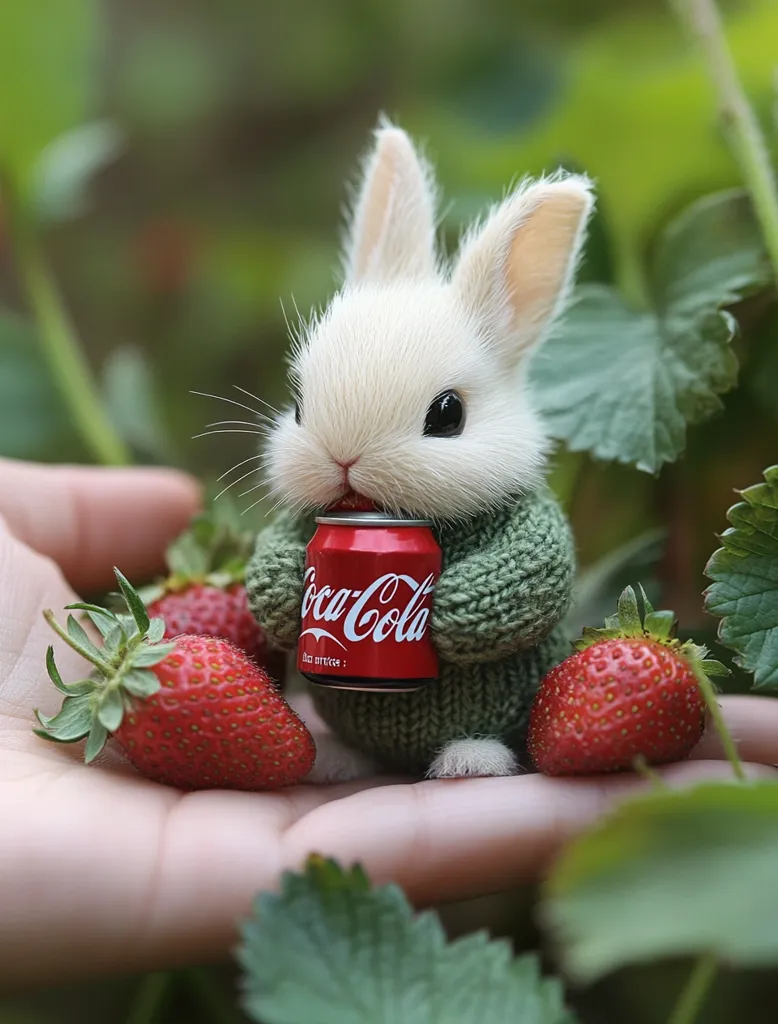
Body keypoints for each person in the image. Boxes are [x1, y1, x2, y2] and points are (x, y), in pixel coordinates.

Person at [1, 455, 776, 990]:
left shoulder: (512, 511)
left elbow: (533, 572)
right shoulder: (319, 517)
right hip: (349, 724)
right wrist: (286, 588)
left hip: (490, 708)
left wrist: (462, 608)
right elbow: (278, 586)